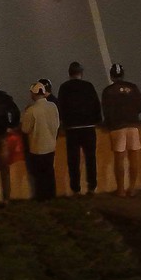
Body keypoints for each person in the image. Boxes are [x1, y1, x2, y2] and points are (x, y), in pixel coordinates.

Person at [56, 63, 101, 195]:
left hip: (72, 128)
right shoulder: (88, 86)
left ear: (69, 73)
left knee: (73, 160)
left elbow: (61, 107)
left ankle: (75, 188)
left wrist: (63, 124)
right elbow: (96, 104)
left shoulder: (64, 87)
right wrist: (97, 120)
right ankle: (92, 186)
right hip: (88, 127)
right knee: (90, 158)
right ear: (81, 73)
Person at [101, 64, 141, 196]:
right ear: (123, 74)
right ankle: (132, 188)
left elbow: (106, 110)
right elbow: (140, 106)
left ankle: (120, 189)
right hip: (132, 125)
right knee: (134, 158)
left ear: (112, 75)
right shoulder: (133, 87)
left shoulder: (108, 91)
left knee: (119, 159)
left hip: (117, 127)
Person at [21, 81, 60, 200]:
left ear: (33, 94)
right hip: (51, 146)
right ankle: (51, 196)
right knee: (49, 172)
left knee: (39, 175)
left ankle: (41, 197)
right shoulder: (53, 106)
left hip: (37, 147)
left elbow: (25, 129)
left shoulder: (32, 110)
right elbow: (57, 124)